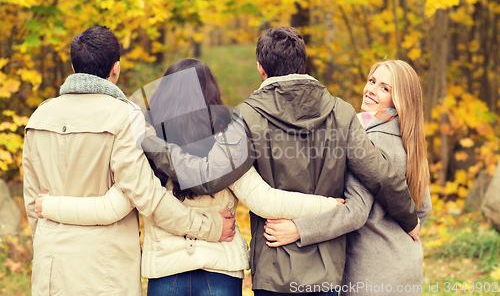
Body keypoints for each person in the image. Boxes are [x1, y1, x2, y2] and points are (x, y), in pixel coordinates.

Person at [136, 27, 422, 295]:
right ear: (303, 65)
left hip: (274, 268)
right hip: (326, 269)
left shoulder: (248, 116)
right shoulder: (341, 112)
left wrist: (152, 142)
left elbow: (209, 176)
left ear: (261, 69)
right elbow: (380, 173)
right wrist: (408, 218)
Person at [35, 58, 345, 295]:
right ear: (212, 93)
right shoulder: (228, 136)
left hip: (166, 269)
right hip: (220, 268)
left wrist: (51, 206)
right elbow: (262, 199)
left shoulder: (145, 136)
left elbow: (127, 200)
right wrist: (330, 206)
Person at [22, 26, 236, 296]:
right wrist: (210, 227)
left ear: (73, 67)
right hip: (106, 270)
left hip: (50, 268)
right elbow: (147, 197)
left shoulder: (39, 118)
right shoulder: (126, 117)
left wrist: (43, 247)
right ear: (116, 68)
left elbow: (33, 204)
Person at [264, 60, 432, 295]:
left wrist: (300, 229)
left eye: (385, 88)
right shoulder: (409, 141)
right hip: (407, 268)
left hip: (371, 274)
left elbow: (356, 213)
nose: (371, 89)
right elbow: (424, 208)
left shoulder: (370, 140)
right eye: (372, 81)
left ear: (400, 99)